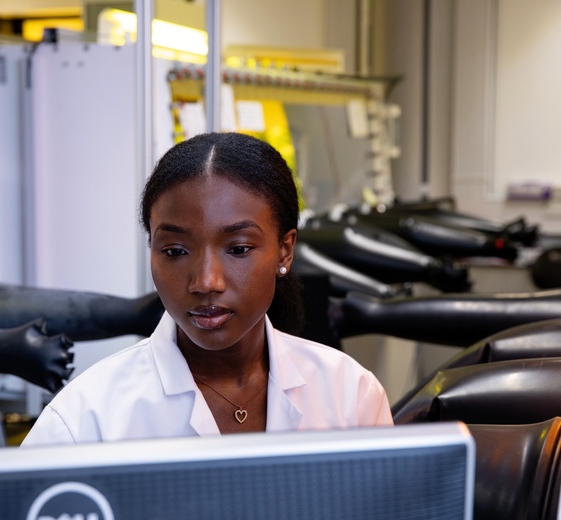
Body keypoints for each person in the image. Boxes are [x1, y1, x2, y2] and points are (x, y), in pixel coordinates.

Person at [22, 132, 393, 446]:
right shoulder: (84, 422)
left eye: (238, 249)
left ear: (285, 250)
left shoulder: (350, 395)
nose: (206, 282)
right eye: (175, 251)